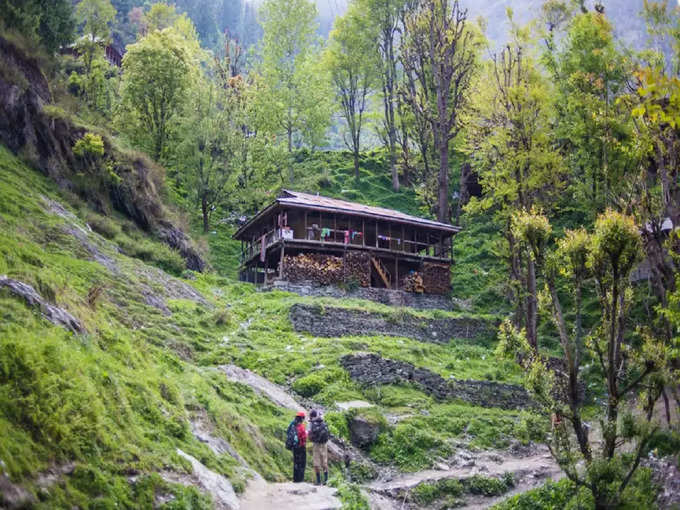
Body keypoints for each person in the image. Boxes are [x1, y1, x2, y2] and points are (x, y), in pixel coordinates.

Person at [308, 409, 330, 485]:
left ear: (311, 416)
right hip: (324, 444)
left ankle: (318, 481)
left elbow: (309, 434)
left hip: (316, 444)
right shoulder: (322, 421)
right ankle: (326, 480)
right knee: (324, 462)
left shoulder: (312, 423)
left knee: (316, 463)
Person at [286, 411, 307, 482]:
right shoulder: (301, 426)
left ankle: (295, 479)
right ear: (302, 418)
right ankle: (300, 479)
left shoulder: (292, 424)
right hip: (301, 447)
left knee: (296, 462)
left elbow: (287, 432)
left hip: (294, 447)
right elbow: (304, 437)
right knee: (302, 463)